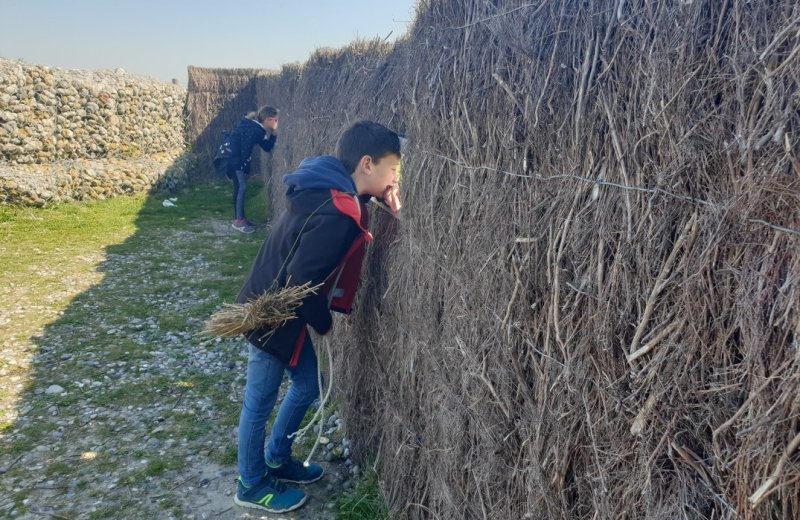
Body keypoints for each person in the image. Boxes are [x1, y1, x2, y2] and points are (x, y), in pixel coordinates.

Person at [232, 120, 402, 513]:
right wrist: (324, 323)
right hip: (271, 313)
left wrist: (381, 199)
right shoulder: (335, 214)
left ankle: (277, 457)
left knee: (307, 386)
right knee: (259, 401)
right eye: (392, 169)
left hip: (282, 309)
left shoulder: (329, 189)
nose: (395, 177)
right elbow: (299, 281)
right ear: (366, 163)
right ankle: (251, 482)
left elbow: (351, 207)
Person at [213, 106, 280, 233]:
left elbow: (266, 147)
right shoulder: (254, 129)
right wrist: (244, 167)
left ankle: (241, 218)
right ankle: (239, 222)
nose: (277, 122)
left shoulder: (256, 129)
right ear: (267, 119)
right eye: (275, 120)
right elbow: (245, 148)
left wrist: (274, 133)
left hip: (229, 155)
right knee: (242, 187)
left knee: (239, 187)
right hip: (231, 157)